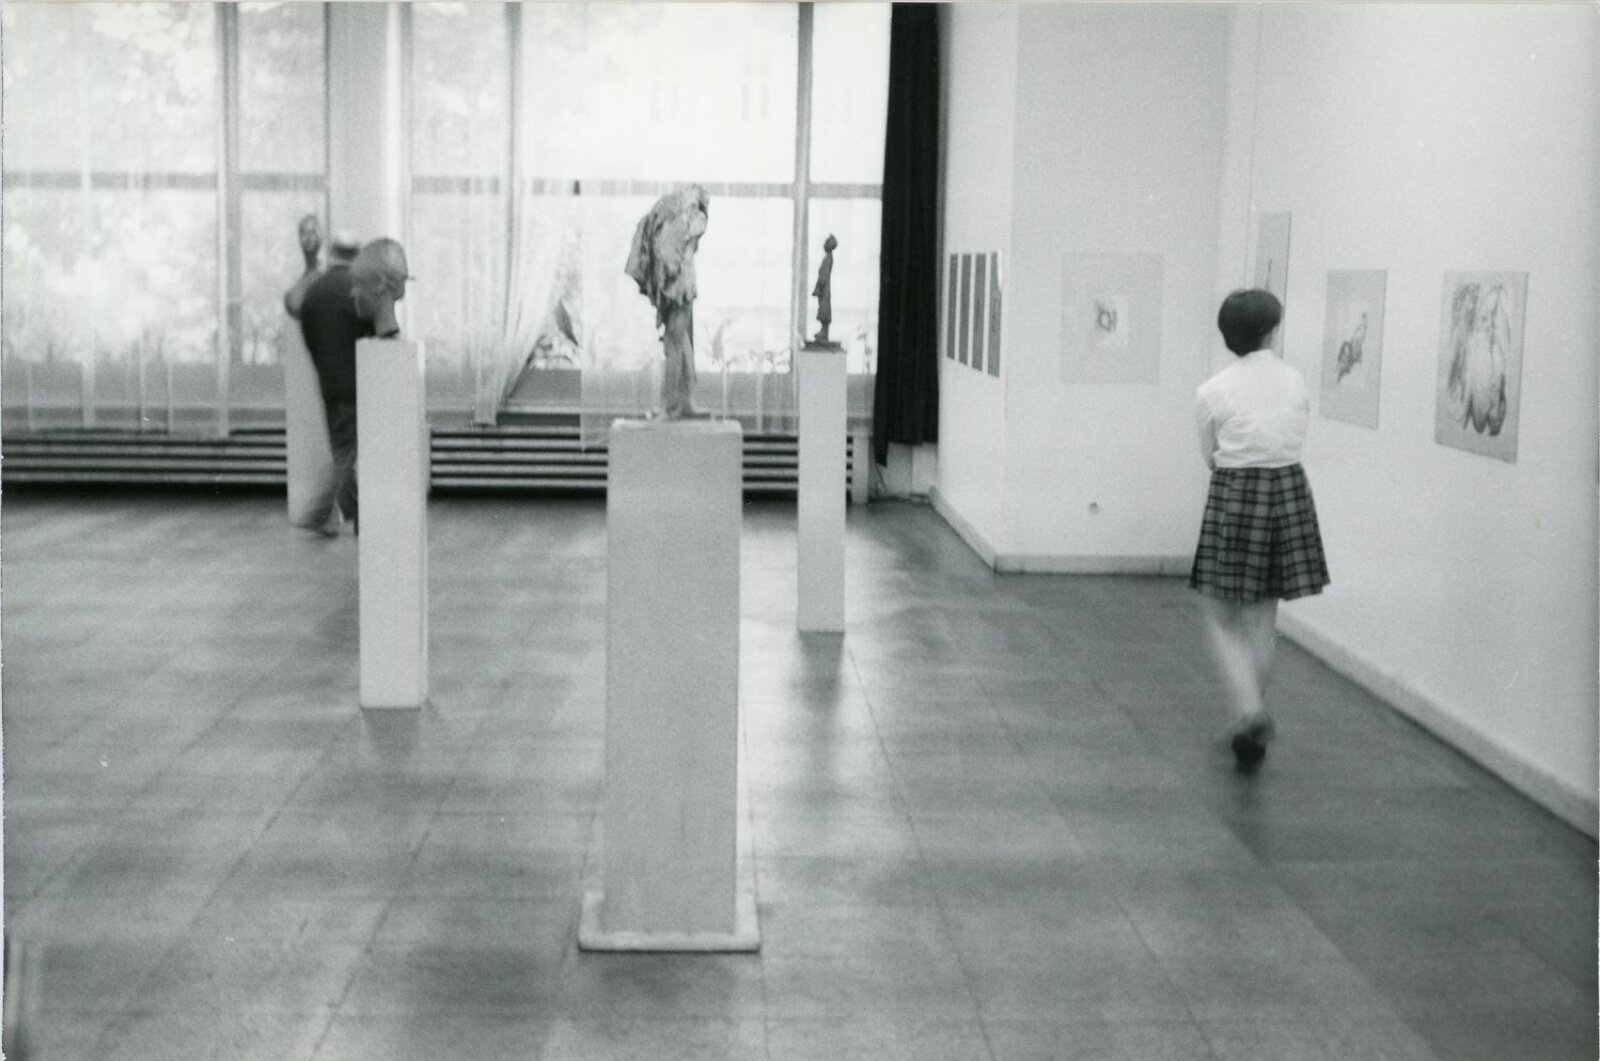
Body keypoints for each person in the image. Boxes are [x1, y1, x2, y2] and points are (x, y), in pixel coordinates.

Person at [1190, 289, 1329, 772]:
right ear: (1271, 331)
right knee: (1262, 618)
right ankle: (1251, 725)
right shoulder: (1294, 380)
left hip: (1236, 492)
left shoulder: (1213, 390)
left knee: (1219, 615)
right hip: (1287, 489)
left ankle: (1250, 710)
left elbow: (1210, 454)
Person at [295, 232, 372, 537]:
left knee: (343, 450)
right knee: (345, 453)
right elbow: (373, 335)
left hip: (328, 383)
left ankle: (351, 514)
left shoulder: (314, 291)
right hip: (356, 384)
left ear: (333, 253)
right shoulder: (358, 290)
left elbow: (309, 337)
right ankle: (321, 513)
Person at [624, 185, 710, 419]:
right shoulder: (674, 217)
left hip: (679, 285)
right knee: (679, 340)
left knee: (674, 342)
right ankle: (684, 400)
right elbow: (665, 246)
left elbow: (679, 243)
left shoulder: (691, 219)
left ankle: (671, 404)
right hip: (675, 283)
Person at [283, 214, 324, 321]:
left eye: (312, 232)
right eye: (304, 233)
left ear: (320, 237)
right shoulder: (294, 276)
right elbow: (292, 303)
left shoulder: (327, 272)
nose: (308, 238)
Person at [812, 233, 838, 345]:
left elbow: (824, 275)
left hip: (824, 288)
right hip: (824, 288)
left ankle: (824, 332)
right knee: (823, 308)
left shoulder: (828, 258)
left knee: (824, 309)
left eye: (825, 243)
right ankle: (823, 332)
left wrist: (818, 287)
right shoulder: (828, 258)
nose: (823, 244)